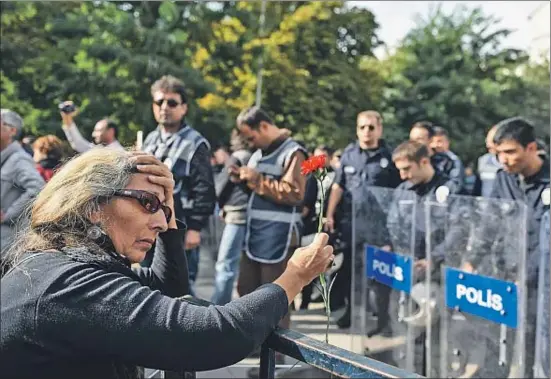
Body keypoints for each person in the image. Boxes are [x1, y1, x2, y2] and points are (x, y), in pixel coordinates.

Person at [0, 148, 335, 379]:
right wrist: (295, 277)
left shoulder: (59, 265)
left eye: (163, 208)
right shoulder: (70, 287)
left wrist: (167, 203)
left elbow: (168, 290)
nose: (161, 221)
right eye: (147, 203)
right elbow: (210, 336)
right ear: (93, 206)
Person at [464, 117, 549, 378]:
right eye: (499, 153)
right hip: (508, 278)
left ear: (532, 148)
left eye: (511, 152)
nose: (504, 159)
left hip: (543, 283)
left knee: (541, 354)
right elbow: (490, 221)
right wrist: (472, 260)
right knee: (502, 346)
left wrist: (530, 273)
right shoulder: (504, 179)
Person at [325, 110, 401, 328]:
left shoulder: (389, 156)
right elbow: (339, 186)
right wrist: (330, 214)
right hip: (353, 224)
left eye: (371, 127)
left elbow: (398, 191)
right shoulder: (349, 154)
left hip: (380, 226)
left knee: (380, 274)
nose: (366, 131)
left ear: (379, 129)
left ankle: (383, 318)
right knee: (350, 270)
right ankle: (352, 312)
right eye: (362, 127)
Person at [142, 75, 216, 292]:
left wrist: (194, 227)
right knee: (151, 285)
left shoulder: (195, 143)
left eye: (172, 102)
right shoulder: (150, 140)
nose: (165, 107)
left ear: (184, 108)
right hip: (150, 225)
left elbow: (205, 189)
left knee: (181, 289)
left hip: (180, 225)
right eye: (159, 102)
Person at [211, 130, 252, 305]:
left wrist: (219, 204)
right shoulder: (256, 156)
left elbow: (221, 187)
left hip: (236, 216)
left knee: (225, 265)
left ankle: (219, 307)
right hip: (254, 216)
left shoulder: (236, 158)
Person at [0, 109, 45, 257]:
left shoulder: (19, 159)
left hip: (6, 246)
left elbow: (38, 188)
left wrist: (8, 215)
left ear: (12, 131)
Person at [410, 121, 464, 193]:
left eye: (419, 139)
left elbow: (455, 186)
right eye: (411, 139)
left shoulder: (449, 161)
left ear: (430, 140)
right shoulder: (407, 162)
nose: (413, 143)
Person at [59, 101, 124, 153]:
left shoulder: (119, 153)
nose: (94, 134)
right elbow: (78, 143)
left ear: (111, 131)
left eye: (98, 130)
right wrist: (66, 116)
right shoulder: (99, 151)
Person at [477, 125, 502, 197]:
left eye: (492, 140)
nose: (488, 145)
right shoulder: (483, 160)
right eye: (487, 140)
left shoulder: (513, 162)